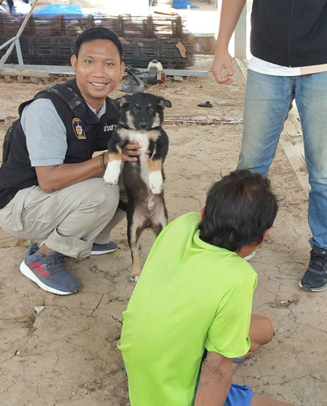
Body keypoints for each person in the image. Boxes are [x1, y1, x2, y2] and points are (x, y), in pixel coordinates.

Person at [209, 0, 327, 292]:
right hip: (266, 64)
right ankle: (238, 240)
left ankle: (324, 248)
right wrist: (222, 47)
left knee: (323, 170)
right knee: (250, 166)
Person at [0, 27, 141, 296]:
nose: (99, 73)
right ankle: (43, 257)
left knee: (135, 174)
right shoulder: (48, 108)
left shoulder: (108, 109)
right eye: (89, 62)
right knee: (103, 191)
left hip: (50, 195)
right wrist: (106, 160)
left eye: (109, 64)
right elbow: (49, 181)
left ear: (120, 70)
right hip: (17, 204)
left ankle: (92, 238)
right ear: (74, 64)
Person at [118, 170, 290, 406]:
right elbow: (216, 369)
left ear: (203, 213)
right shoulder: (239, 276)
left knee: (264, 329)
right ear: (262, 236)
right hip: (172, 394)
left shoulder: (183, 223)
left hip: (139, 357)